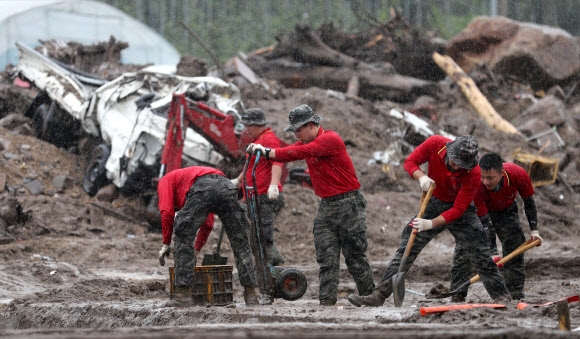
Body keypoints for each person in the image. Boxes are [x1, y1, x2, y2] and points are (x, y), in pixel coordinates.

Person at [348, 135, 512, 307]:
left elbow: (457, 209)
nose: (456, 167)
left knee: (480, 253)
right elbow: (410, 162)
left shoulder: (474, 172)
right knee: (407, 248)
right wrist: (421, 177)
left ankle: (501, 296)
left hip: (461, 212)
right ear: (449, 151)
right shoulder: (435, 144)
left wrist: (431, 224)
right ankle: (379, 295)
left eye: (461, 166)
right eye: (454, 161)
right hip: (433, 202)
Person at [246, 104, 375, 306]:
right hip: (327, 204)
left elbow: (297, 153)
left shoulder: (329, 139)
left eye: (298, 130)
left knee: (354, 256)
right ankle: (326, 299)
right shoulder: (305, 142)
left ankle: (369, 296)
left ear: (311, 125)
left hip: (348, 203)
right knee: (326, 256)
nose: (296, 135)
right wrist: (267, 151)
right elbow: (290, 150)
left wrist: (266, 151)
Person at [157, 166, 259, 307]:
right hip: (225, 185)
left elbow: (166, 212)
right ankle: (251, 294)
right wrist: (196, 249)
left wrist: (166, 243)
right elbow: (208, 224)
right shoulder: (188, 180)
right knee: (240, 241)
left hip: (204, 187)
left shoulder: (165, 181)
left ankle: (183, 296)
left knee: (183, 235)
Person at [451, 152, 543, 301]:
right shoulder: (476, 184)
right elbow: (484, 221)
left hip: (505, 209)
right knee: (465, 248)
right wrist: (492, 252)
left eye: (490, 178)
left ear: (501, 173)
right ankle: (457, 294)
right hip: (476, 212)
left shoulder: (518, 174)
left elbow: (529, 202)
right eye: (483, 177)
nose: (486, 181)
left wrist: (534, 230)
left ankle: (516, 295)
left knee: (515, 246)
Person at [231, 108, 286, 266]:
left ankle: (270, 270)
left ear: (257, 124)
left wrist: (274, 184)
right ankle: (273, 266)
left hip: (266, 195)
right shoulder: (256, 142)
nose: (246, 130)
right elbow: (249, 167)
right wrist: (238, 181)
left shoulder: (269, 139)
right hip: (255, 194)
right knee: (257, 236)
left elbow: (278, 161)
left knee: (263, 235)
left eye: (249, 126)